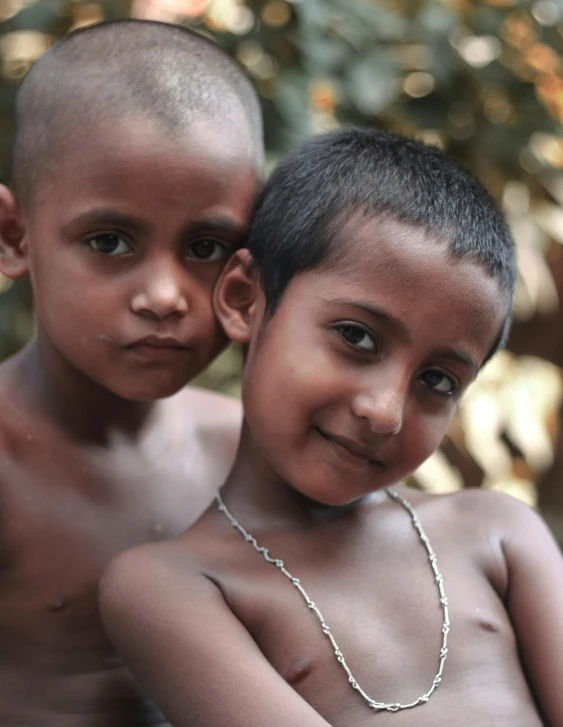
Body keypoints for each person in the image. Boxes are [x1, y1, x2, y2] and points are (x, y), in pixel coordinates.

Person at [100, 127, 563, 727]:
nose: (385, 411)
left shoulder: (497, 535)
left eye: (438, 381)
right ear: (245, 299)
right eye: (357, 337)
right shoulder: (172, 586)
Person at [0, 18, 263, 727]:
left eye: (206, 246)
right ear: (14, 237)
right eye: (109, 240)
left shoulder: (246, 451)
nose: (165, 295)